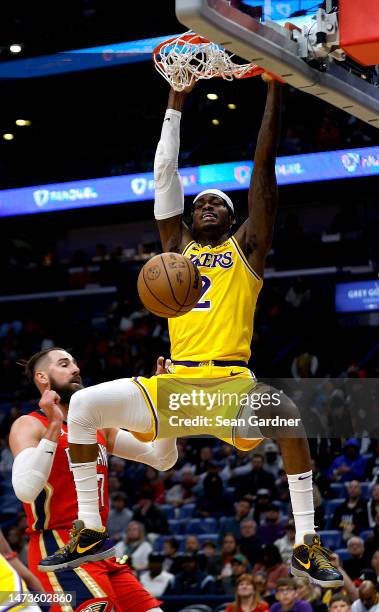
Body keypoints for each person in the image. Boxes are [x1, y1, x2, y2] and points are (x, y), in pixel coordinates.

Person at [38, 78, 342, 589]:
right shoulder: (175, 249)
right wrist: (176, 101)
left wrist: (274, 92)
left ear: (231, 218)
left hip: (231, 387)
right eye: (199, 202)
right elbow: (164, 176)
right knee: (84, 406)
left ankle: (306, 544)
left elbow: (263, 178)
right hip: (174, 386)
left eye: (217, 203)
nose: (204, 205)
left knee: (289, 415)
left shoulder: (248, 249)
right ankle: (90, 529)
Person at [9, 348, 165, 611]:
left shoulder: (97, 425)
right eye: (64, 364)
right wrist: (55, 426)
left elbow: (157, 457)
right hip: (58, 545)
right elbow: (25, 489)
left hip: (100, 547)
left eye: (75, 363)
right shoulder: (30, 425)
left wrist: (158, 401)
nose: (75, 368)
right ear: (42, 377)